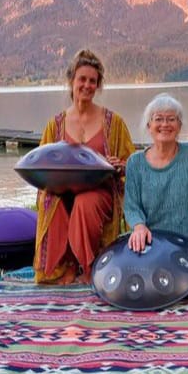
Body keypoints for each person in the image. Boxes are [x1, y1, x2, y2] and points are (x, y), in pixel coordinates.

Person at [34, 49, 135, 284]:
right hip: (63, 190)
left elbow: (133, 164)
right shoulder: (55, 124)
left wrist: (119, 167)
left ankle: (89, 267)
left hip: (100, 191)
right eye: (83, 79)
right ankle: (63, 267)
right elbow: (41, 164)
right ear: (72, 81)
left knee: (84, 203)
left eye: (93, 81)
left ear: (98, 85)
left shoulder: (113, 122)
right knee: (54, 201)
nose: (87, 85)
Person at [124, 93, 188, 300]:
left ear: (179, 126)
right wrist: (139, 226)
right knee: (133, 288)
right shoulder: (135, 163)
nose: (164, 124)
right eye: (158, 119)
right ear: (149, 125)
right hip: (150, 246)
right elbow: (131, 205)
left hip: (186, 246)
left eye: (171, 119)